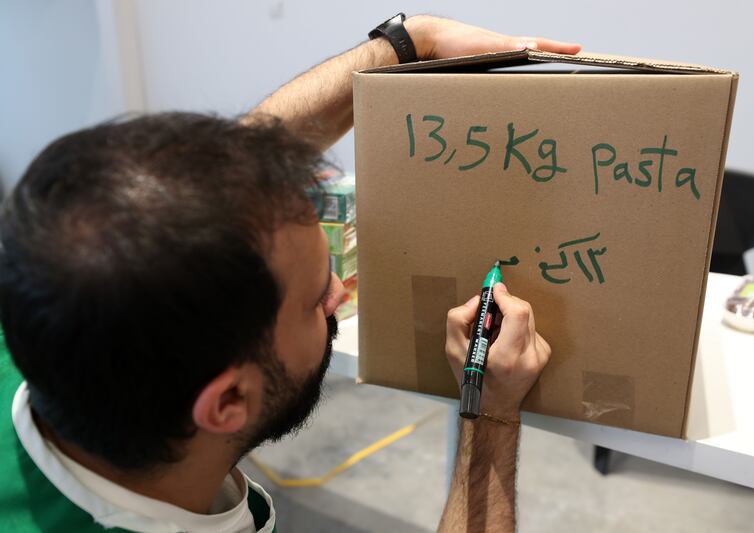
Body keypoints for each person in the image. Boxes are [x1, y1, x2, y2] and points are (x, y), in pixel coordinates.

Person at [0, 14, 575, 533]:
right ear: (227, 402)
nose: (338, 292)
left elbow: (213, 199)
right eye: (313, 300)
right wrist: (492, 414)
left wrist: (406, 44)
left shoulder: (49, 305)